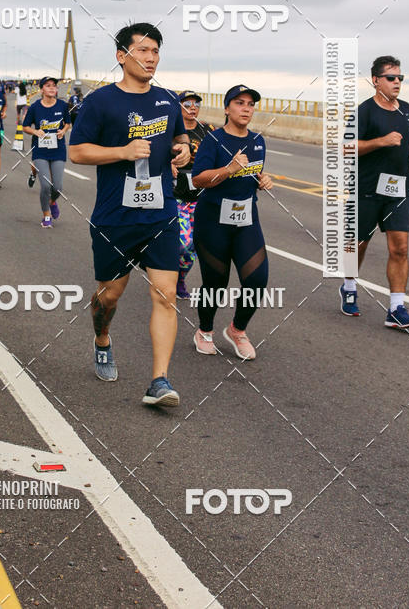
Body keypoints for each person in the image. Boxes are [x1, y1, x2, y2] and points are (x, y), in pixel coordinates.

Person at [69, 22, 190, 407]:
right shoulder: (100, 102)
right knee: (109, 296)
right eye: (143, 51)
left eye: (156, 51)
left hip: (161, 212)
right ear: (122, 56)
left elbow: (178, 135)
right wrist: (121, 152)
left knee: (166, 294)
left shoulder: (168, 100)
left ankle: (159, 381)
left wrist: (183, 149)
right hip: (115, 216)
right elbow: (77, 152)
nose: (151, 58)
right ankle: (102, 339)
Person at [340, 56, 409, 329]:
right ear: (376, 80)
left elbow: (402, 133)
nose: (397, 82)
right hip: (366, 188)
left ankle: (396, 307)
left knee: (400, 247)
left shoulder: (407, 109)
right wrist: (381, 142)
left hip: (398, 189)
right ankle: (349, 285)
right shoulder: (364, 111)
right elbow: (347, 147)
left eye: (400, 78)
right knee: (360, 244)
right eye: (391, 78)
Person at [191, 85, 273, 359]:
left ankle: (237, 330)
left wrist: (263, 180)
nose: (246, 108)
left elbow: (252, 176)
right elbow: (199, 179)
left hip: (246, 218)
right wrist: (228, 169)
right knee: (215, 282)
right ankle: (204, 331)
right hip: (213, 219)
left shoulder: (258, 141)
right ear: (227, 108)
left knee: (258, 279)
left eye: (250, 104)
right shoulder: (213, 141)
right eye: (239, 103)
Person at [172, 90, 214, 300]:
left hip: (201, 198)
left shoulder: (208, 130)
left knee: (195, 245)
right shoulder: (170, 131)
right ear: (178, 107)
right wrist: (166, 165)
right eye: (187, 104)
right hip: (175, 196)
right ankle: (164, 272)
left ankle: (180, 277)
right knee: (183, 242)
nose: (192, 107)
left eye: (196, 103)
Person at [23, 77, 71, 227]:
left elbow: (68, 123)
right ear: (42, 89)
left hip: (58, 150)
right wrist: (36, 131)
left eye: (54, 86)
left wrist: (63, 131)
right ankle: (46, 216)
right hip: (40, 151)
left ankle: (51, 202)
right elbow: (25, 126)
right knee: (45, 186)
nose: (52, 88)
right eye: (48, 85)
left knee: (57, 187)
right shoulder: (35, 107)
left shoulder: (63, 106)